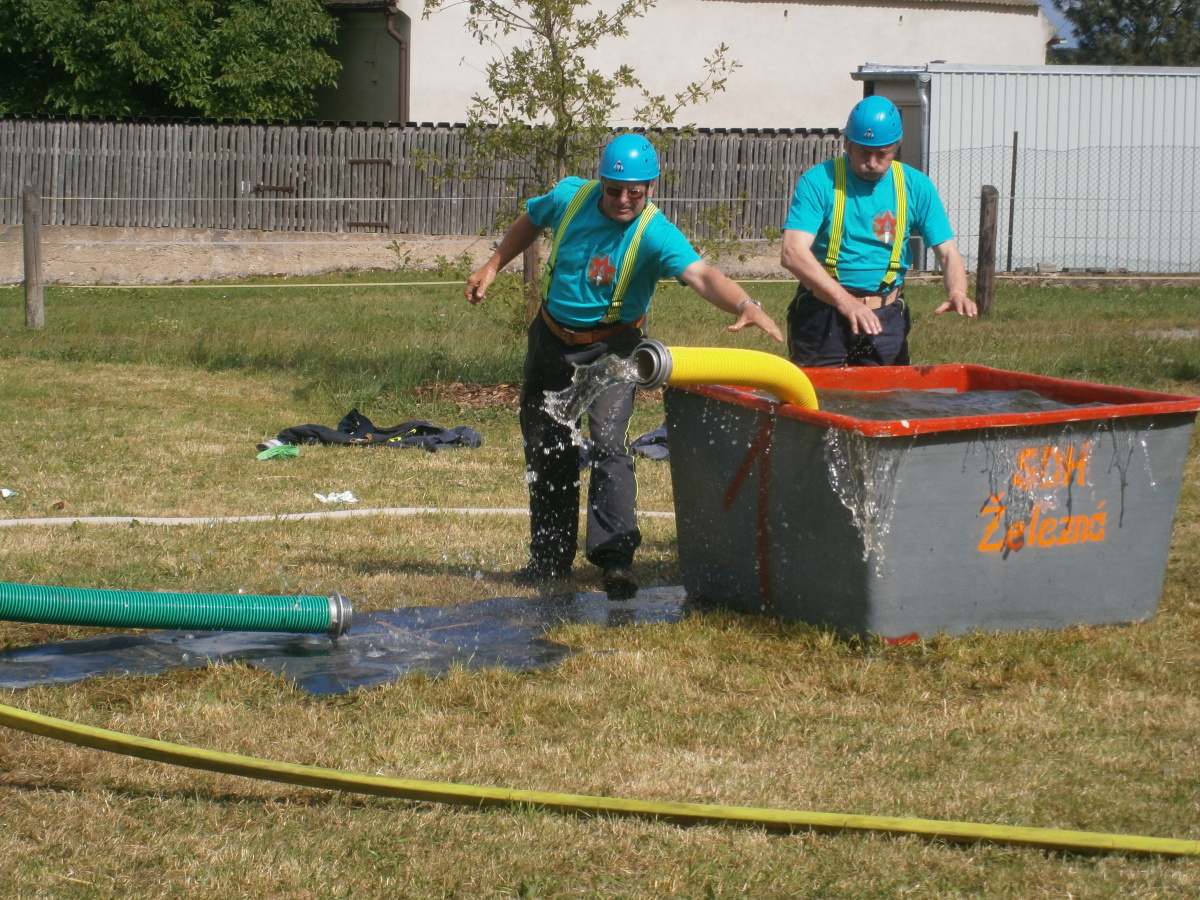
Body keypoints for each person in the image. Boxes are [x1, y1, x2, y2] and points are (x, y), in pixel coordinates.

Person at [465, 134, 783, 599]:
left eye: (635, 191)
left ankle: (615, 560)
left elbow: (701, 274)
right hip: (551, 341)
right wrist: (493, 265)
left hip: (613, 350)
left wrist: (745, 303)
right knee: (547, 447)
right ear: (601, 181)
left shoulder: (655, 233)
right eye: (614, 190)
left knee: (609, 444)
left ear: (651, 187)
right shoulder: (570, 197)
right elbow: (531, 219)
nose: (623, 200)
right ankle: (549, 561)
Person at [780, 96, 976, 367]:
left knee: (885, 393)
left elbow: (947, 253)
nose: (872, 163)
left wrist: (957, 291)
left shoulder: (916, 186)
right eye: (863, 152)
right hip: (823, 313)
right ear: (847, 144)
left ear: (896, 147)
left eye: (882, 154)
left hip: (886, 316)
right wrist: (846, 302)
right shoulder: (819, 181)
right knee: (818, 392)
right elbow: (792, 252)